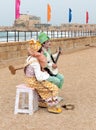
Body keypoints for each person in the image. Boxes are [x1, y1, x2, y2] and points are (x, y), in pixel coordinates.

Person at [24, 39, 62, 114]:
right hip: (33, 81)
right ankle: (52, 106)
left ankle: (42, 102)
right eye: (41, 51)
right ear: (37, 52)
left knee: (48, 85)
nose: (42, 52)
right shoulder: (35, 62)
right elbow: (39, 77)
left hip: (29, 80)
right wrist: (46, 75)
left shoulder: (30, 58)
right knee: (53, 88)